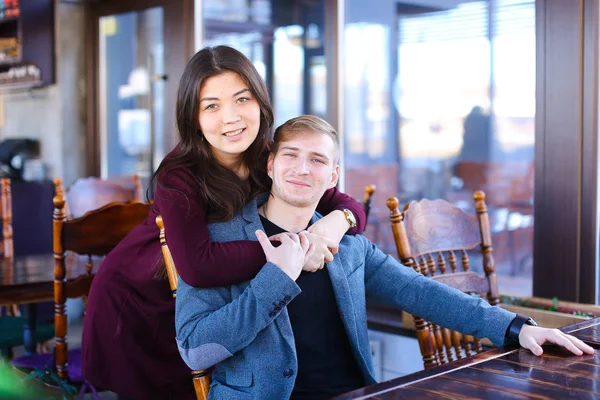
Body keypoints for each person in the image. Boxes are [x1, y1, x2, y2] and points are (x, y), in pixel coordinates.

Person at [175, 115, 595, 400]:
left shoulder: (349, 243)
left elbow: (419, 291)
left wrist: (515, 328)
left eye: (317, 160)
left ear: (333, 176)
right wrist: (275, 280)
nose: (302, 169)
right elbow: (195, 350)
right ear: (270, 164)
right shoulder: (218, 242)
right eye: (291, 155)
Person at [82, 47, 367, 400]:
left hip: (209, 309)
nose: (230, 118)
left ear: (261, 103)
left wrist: (338, 222)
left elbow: (345, 203)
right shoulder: (178, 176)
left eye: (241, 99)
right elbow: (199, 266)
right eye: (211, 105)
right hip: (140, 299)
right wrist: (292, 249)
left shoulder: (270, 155)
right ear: (194, 118)